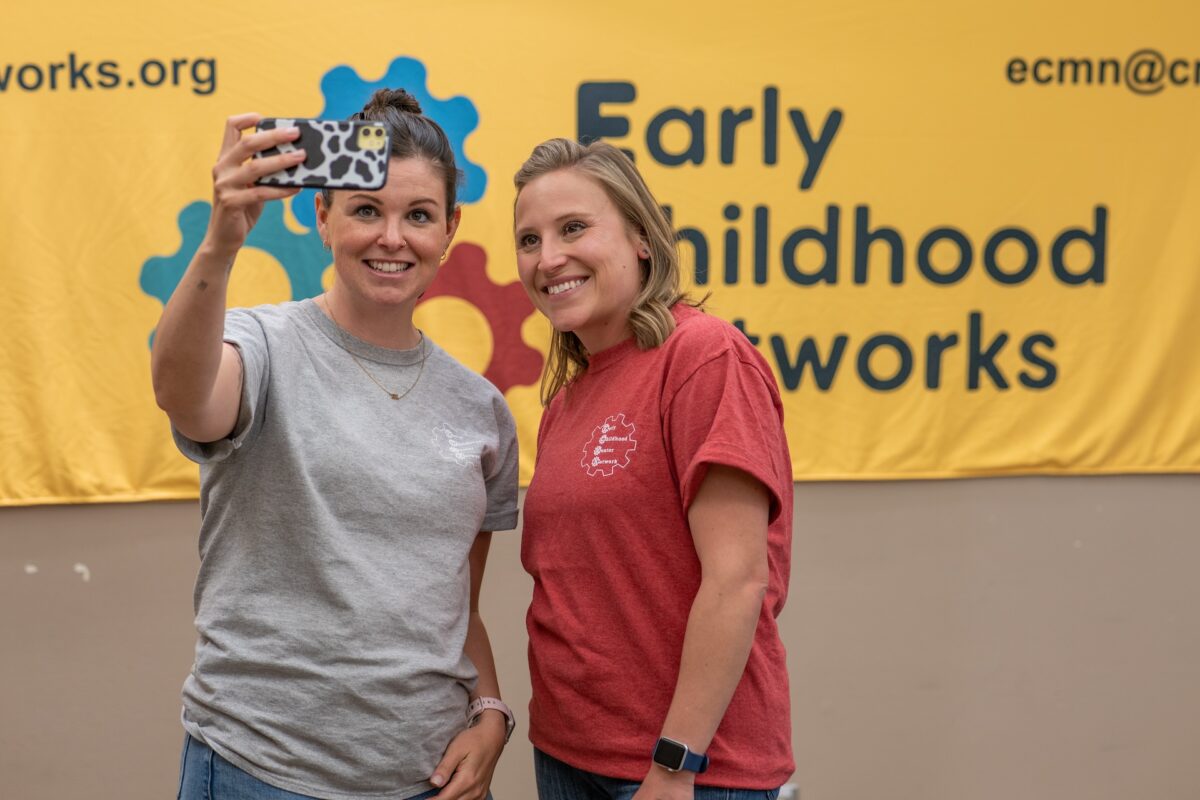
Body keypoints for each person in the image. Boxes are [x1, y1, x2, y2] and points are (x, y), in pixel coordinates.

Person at [151, 89, 517, 800]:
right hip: (260, 771)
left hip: (428, 779)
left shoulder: (481, 410)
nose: (392, 237)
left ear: (450, 229)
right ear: (321, 215)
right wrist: (222, 239)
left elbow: (456, 605)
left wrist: (492, 713)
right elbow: (184, 396)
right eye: (365, 210)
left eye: (418, 215)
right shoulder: (261, 345)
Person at [511, 138, 795, 800]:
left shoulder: (704, 359)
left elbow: (737, 579)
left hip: (687, 774)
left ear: (642, 237)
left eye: (574, 228)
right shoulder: (569, 396)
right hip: (567, 754)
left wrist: (674, 765)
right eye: (529, 239)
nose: (548, 258)